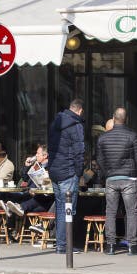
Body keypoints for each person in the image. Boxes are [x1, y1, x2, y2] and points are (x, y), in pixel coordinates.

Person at [97, 106, 137, 255]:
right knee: (131, 213)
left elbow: (99, 159)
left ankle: (110, 246)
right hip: (129, 178)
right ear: (126, 119)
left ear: (113, 118)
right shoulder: (132, 135)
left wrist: (107, 174)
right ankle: (132, 246)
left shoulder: (103, 137)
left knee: (110, 212)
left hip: (111, 178)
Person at [47, 98, 85, 254]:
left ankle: (61, 242)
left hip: (55, 171)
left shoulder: (55, 123)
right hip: (68, 172)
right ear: (80, 110)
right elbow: (79, 152)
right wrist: (79, 172)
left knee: (60, 207)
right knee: (68, 209)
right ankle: (63, 245)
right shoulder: (76, 126)